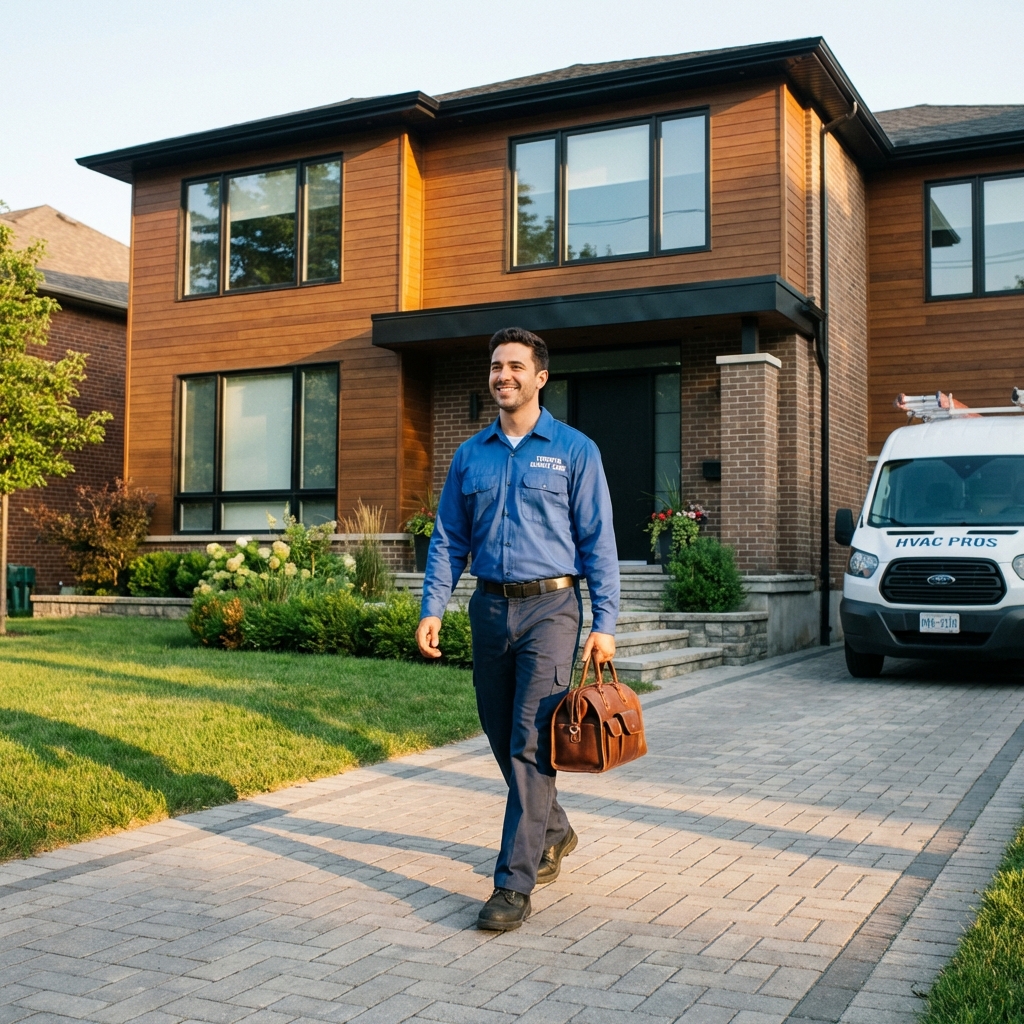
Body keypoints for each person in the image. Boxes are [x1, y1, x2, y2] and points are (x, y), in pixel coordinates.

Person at [415, 326, 619, 931]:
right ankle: (553, 827)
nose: (503, 375)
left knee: (531, 741)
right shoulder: (469, 453)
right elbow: (449, 537)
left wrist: (605, 621)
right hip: (489, 607)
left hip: (552, 610)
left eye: (515, 366)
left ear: (540, 378)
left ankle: (513, 885)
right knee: (501, 732)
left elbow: (598, 541)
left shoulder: (575, 450)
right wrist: (432, 606)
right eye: (497, 365)